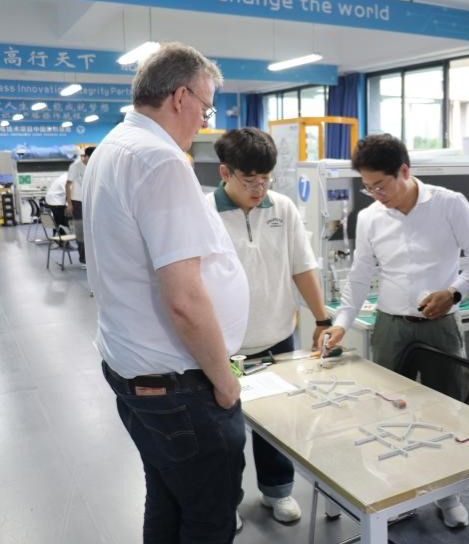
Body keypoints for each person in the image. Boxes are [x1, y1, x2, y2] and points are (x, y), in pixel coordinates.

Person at [84, 42, 250, 543]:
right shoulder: (161, 161)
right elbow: (184, 299)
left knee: (168, 496)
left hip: (135, 369)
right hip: (179, 385)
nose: (203, 122)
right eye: (206, 108)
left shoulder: (113, 148)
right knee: (210, 515)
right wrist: (224, 382)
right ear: (181, 97)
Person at [319, 133, 469, 529]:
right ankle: (398, 491)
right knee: (388, 410)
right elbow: (359, 276)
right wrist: (341, 323)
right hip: (390, 326)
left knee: (448, 410)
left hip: (440, 326)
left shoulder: (449, 204)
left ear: (404, 170)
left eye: (381, 185)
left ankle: (449, 495)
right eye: (368, 187)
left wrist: (455, 292)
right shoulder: (370, 217)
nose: (376, 194)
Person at [207, 127, 328, 524]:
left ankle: (278, 492)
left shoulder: (283, 208)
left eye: (265, 179)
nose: (259, 189)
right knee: (226, 432)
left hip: (277, 339)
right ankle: (226, 501)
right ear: (225, 172)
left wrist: (322, 319)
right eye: (249, 180)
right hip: (228, 347)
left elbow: (302, 267)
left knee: (278, 422)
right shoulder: (204, 214)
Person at [66, 146, 94, 264]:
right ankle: (83, 259)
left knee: (92, 231)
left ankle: (92, 258)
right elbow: (68, 185)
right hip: (77, 202)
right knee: (80, 231)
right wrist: (69, 203)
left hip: (91, 202)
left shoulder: (93, 166)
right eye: (91, 158)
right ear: (85, 156)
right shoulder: (75, 167)